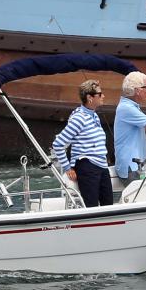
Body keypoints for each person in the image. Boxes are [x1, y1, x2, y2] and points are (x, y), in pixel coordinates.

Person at [51, 79, 112, 207]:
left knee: (109, 205)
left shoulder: (93, 115)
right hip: (88, 167)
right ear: (89, 97)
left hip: (101, 167)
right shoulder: (79, 118)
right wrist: (68, 168)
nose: (103, 96)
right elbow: (58, 144)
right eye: (100, 94)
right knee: (91, 207)